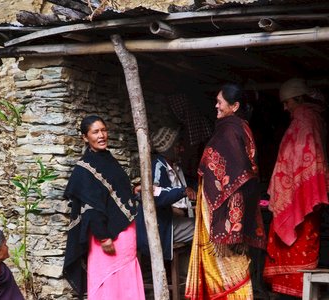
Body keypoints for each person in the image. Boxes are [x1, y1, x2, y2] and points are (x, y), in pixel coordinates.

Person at [186, 83, 266, 299]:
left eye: (220, 102)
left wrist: (233, 221)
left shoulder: (229, 131)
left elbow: (237, 179)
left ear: (235, 105)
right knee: (233, 264)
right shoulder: (240, 127)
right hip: (232, 209)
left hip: (223, 211)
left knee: (225, 265)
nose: (216, 106)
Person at [63, 115, 145, 300]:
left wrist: (133, 190)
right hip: (107, 237)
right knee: (108, 281)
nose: (101, 135)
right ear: (85, 137)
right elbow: (91, 206)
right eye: (95, 132)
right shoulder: (84, 169)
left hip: (125, 235)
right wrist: (104, 237)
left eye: (103, 130)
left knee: (126, 281)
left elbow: (112, 193)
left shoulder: (108, 159)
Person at [263, 78, 329, 298]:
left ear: (299, 99)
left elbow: (297, 158)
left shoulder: (303, 120)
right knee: (304, 243)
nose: (285, 108)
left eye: (287, 102)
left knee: (297, 243)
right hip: (304, 198)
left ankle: (296, 293)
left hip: (300, 198)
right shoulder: (314, 119)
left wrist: (288, 190)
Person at [136, 126, 196, 261]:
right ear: (167, 149)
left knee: (197, 225)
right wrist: (182, 192)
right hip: (161, 227)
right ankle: (191, 272)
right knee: (200, 228)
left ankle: (190, 271)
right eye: (177, 146)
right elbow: (154, 195)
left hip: (170, 221)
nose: (181, 149)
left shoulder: (174, 167)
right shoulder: (157, 166)